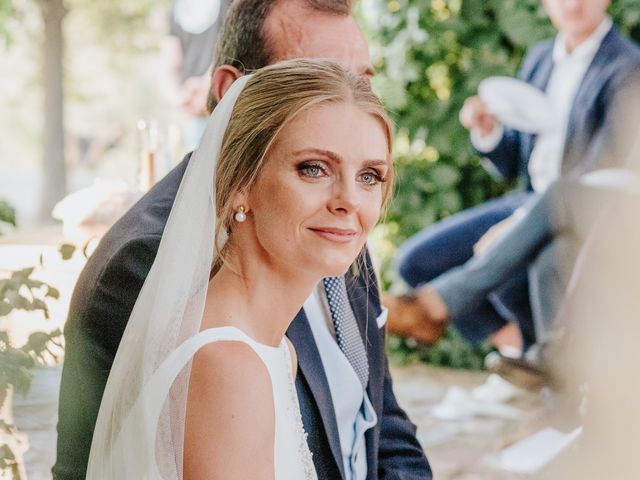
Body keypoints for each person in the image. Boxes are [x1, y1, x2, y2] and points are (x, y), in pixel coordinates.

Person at [54, 1, 432, 479]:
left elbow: (382, 419)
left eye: (372, 176)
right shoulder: (158, 265)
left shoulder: (331, 233)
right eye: (313, 167)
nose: (350, 200)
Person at [386, 0, 640, 350]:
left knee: (542, 261)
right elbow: (513, 163)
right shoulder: (539, 59)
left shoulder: (629, 67)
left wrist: (521, 223)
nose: (573, 3)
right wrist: (488, 133)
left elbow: (601, 170)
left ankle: (450, 315)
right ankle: (518, 351)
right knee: (417, 261)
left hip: (584, 207)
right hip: (528, 197)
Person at [161, 0, 231, 150]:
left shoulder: (227, 3)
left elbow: (230, 45)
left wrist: (205, 86)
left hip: (224, 102)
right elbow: (171, 56)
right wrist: (179, 96)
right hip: (193, 109)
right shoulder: (177, 8)